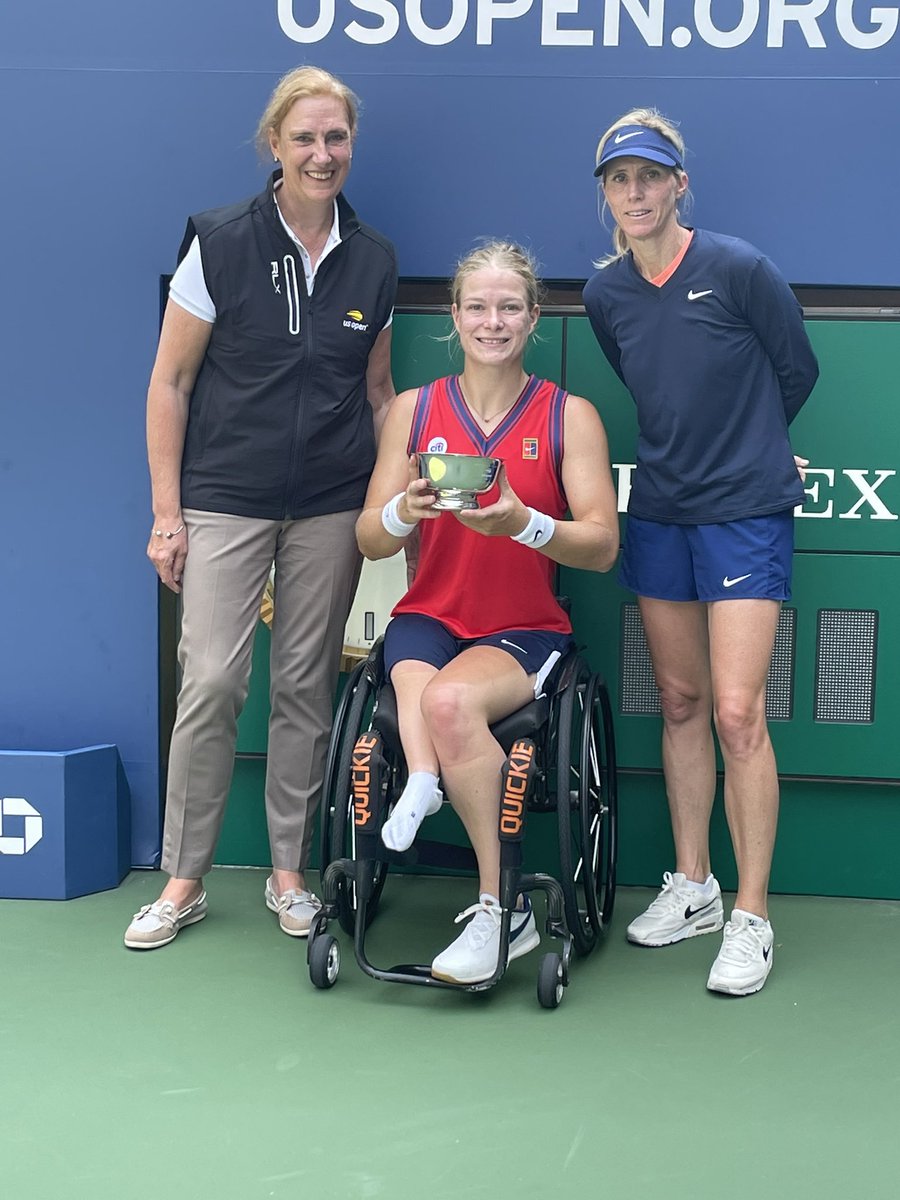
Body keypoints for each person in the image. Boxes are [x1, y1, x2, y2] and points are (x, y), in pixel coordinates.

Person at [125, 66, 398, 949]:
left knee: (305, 686)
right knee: (210, 682)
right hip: (225, 498)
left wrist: (396, 497)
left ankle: (289, 874)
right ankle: (184, 880)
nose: (322, 154)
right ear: (274, 144)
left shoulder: (374, 258)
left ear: (351, 145)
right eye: (305, 137)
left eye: (336, 137)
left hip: (329, 504)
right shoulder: (220, 241)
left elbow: (379, 393)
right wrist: (167, 514)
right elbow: (170, 383)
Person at [583, 109, 818, 995]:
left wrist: (754, 450)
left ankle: (752, 915)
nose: (635, 192)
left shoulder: (738, 267)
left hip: (745, 512)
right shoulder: (606, 295)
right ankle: (695, 887)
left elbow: (797, 370)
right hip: (662, 512)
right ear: (606, 194)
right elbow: (647, 385)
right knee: (680, 701)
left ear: (679, 184)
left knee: (736, 713)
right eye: (619, 179)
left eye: (650, 175)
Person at [357, 241, 619, 985]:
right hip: (428, 615)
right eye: (478, 307)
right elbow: (370, 538)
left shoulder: (570, 416)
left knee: (446, 702)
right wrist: (404, 511)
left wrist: (522, 524)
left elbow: (602, 546)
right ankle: (423, 781)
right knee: (417, 675)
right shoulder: (414, 410)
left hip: (523, 627)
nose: (492, 322)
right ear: (455, 316)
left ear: (533, 317)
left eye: (508, 308)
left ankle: (503, 908)